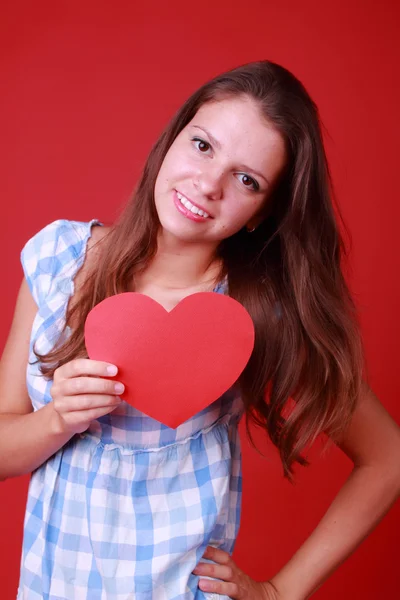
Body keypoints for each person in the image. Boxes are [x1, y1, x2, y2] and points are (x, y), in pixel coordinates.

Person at [1, 59, 399, 600]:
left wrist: (280, 591)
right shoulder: (57, 261)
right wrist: (56, 419)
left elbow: (388, 458)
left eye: (246, 179)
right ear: (173, 138)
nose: (208, 184)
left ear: (261, 212)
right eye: (203, 145)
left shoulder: (254, 313)